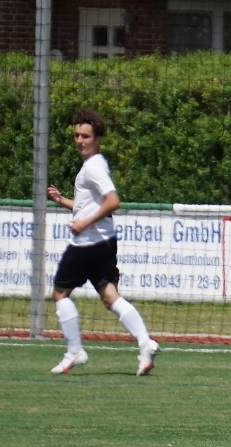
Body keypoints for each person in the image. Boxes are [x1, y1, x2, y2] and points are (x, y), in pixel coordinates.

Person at [47, 109, 159, 376]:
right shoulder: (97, 164)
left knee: (60, 294)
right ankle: (145, 343)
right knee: (110, 297)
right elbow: (90, 205)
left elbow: (113, 201)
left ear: (97, 139)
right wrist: (63, 201)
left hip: (87, 244)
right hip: (105, 242)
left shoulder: (93, 167)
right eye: (76, 135)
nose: (79, 141)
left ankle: (75, 351)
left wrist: (83, 223)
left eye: (85, 136)